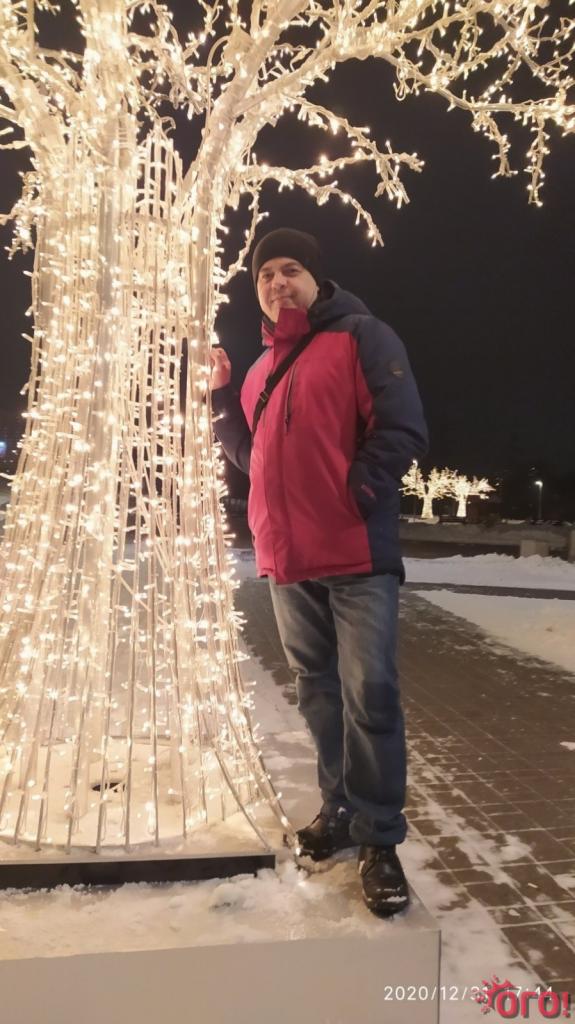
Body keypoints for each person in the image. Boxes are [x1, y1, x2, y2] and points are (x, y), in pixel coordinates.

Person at [210, 228, 428, 917]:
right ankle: (340, 809)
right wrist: (220, 398)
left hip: (356, 554)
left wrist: (352, 496)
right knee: (319, 695)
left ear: (315, 279)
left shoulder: (362, 337)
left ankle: (380, 838)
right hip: (288, 560)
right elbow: (249, 457)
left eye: (290, 270)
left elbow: (400, 429)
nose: (278, 283)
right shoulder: (259, 373)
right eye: (265, 276)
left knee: (372, 696)